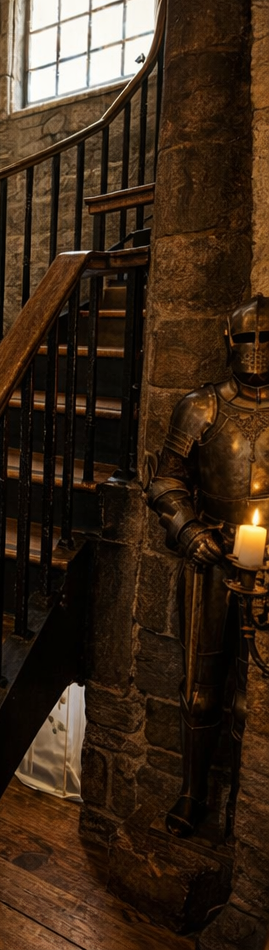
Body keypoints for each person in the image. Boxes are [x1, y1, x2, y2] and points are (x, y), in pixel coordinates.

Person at [144, 295, 269, 837]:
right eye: (248, 338)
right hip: (212, 556)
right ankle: (194, 792)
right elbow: (166, 479)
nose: (258, 350)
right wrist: (188, 528)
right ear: (229, 339)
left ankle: (243, 803)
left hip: (266, 567)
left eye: (266, 339)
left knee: (250, 699)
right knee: (200, 688)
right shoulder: (203, 407)